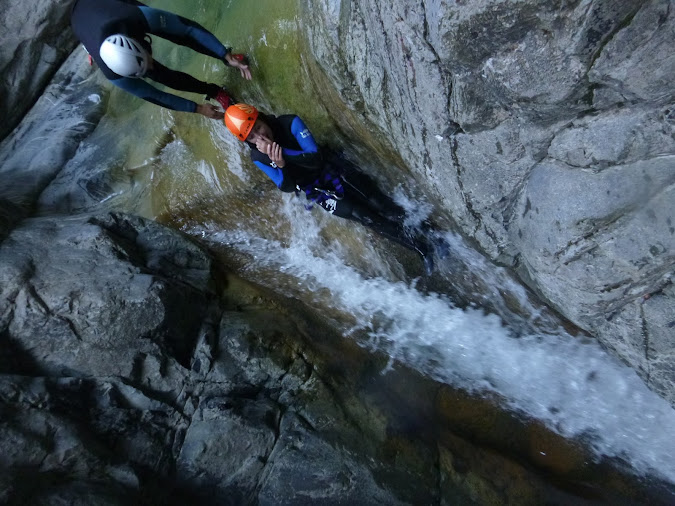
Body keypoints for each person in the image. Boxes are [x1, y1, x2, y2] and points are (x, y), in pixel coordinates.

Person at [223, 103, 436, 273]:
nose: (261, 137)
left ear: (261, 117)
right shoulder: (258, 156)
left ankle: (432, 231)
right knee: (365, 217)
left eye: (258, 127)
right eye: (252, 136)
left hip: (332, 168)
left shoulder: (290, 122)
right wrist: (281, 165)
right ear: (247, 141)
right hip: (317, 189)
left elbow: (315, 158)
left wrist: (284, 154)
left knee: (380, 204)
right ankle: (422, 249)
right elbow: (286, 186)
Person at [70, 0, 251, 119]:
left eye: (147, 58)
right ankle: (214, 91)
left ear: (140, 43)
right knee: (161, 76)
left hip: (110, 5)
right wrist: (199, 108)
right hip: (83, 27)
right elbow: (157, 96)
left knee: (178, 34)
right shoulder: (114, 75)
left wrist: (223, 54)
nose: (151, 62)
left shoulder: (134, 17)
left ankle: (230, 60)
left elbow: (187, 29)